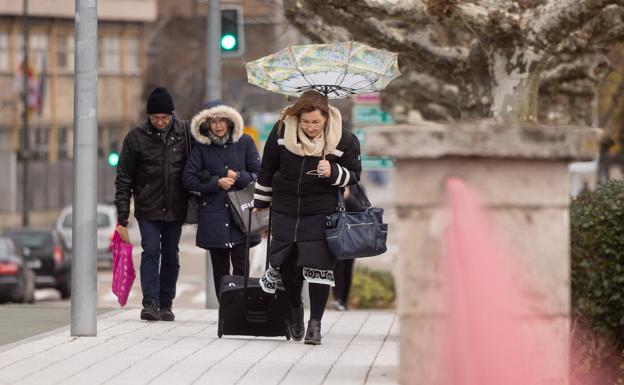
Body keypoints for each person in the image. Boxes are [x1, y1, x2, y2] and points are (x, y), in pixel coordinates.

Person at [253, 90, 362, 345]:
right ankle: (294, 308)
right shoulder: (281, 133)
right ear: (296, 118)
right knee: (287, 265)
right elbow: (268, 168)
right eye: (305, 122)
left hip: (321, 211)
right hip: (285, 208)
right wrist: (261, 201)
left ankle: (316, 324)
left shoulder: (343, 139)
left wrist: (334, 171)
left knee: (318, 267)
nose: (310, 127)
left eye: (316, 122)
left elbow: (355, 175)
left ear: (325, 118)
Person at [115, 87, 190, 322]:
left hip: (176, 207)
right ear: (148, 116)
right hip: (148, 207)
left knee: (171, 254)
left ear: (171, 115)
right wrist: (123, 214)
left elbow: (195, 168)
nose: (160, 122)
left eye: (164, 118)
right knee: (150, 252)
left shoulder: (184, 134)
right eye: (155, 118)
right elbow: (124, 178)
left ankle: (166, 303)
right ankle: (150, 303)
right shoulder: (135, 138)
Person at [182, 100, 261, 299]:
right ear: (206, 124)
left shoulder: (245, 142)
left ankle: (242, 308)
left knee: (242, 265)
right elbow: (188, 179)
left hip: (242, 216)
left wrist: (236, 177)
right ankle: (226, 312)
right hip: (214, 217)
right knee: (220, 270)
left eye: (221, 120)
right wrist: (216, 183)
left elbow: (259, 175)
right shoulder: (201, 148)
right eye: (212, 121)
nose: (218, 125)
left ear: (229, 121)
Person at [330, 183, 368, 311]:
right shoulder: (333, 186)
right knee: (337, 266)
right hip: (336, 233)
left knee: (347, 267)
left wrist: (348, 197)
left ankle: (344, 300)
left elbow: (362, 210)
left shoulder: (357, 188)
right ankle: (337, 299)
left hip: (352, 235)